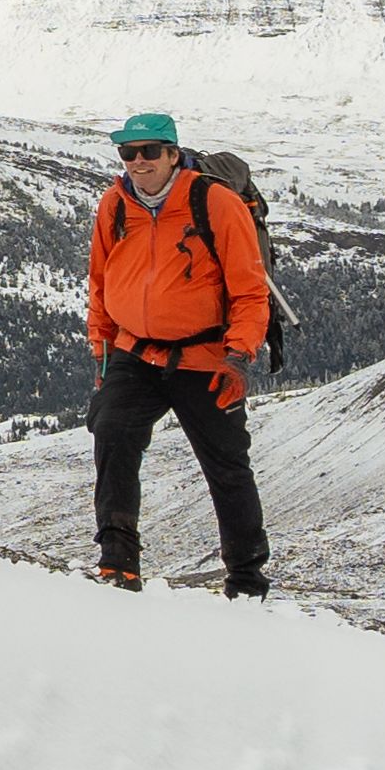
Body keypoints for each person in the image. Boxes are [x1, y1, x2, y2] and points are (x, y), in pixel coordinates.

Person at [80, 109, 276, 592]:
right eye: (129, 153)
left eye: (150, 152)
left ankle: (247, 577)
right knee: (112, 432)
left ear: (173, 154)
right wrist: (101, 348)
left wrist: (239, 356)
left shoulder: (216, 203)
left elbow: (250, 291)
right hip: (134, 351)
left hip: (205, 354)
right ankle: (118, 561)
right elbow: (101, 282)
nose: (139, 162)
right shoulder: (114, 204)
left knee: (226, 463)